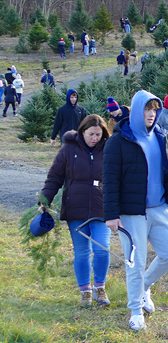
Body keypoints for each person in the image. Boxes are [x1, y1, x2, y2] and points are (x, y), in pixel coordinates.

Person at [103, 90, 168, 332]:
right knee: (134, 263)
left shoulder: (159, 135)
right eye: (147, 109)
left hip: (160, 208)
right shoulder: (118, 141)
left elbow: (166, 170)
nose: (152, 114)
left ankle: (144, 286)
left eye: (155, 109)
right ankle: (136, 311)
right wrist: (111, 214)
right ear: (137, 110)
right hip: (131, 212)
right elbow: (110, 179)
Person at [41, 115, 111, 307]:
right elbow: (54, 177)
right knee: (82, 252)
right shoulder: (68, 150)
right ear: (82, 132)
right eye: (91, 134)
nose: (94, 138)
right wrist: (44, 200)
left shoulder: (108, 150)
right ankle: (85, 292)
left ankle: (100, 288)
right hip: (75, 208)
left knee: (103, 250)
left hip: (100, 207)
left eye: (98, 134)